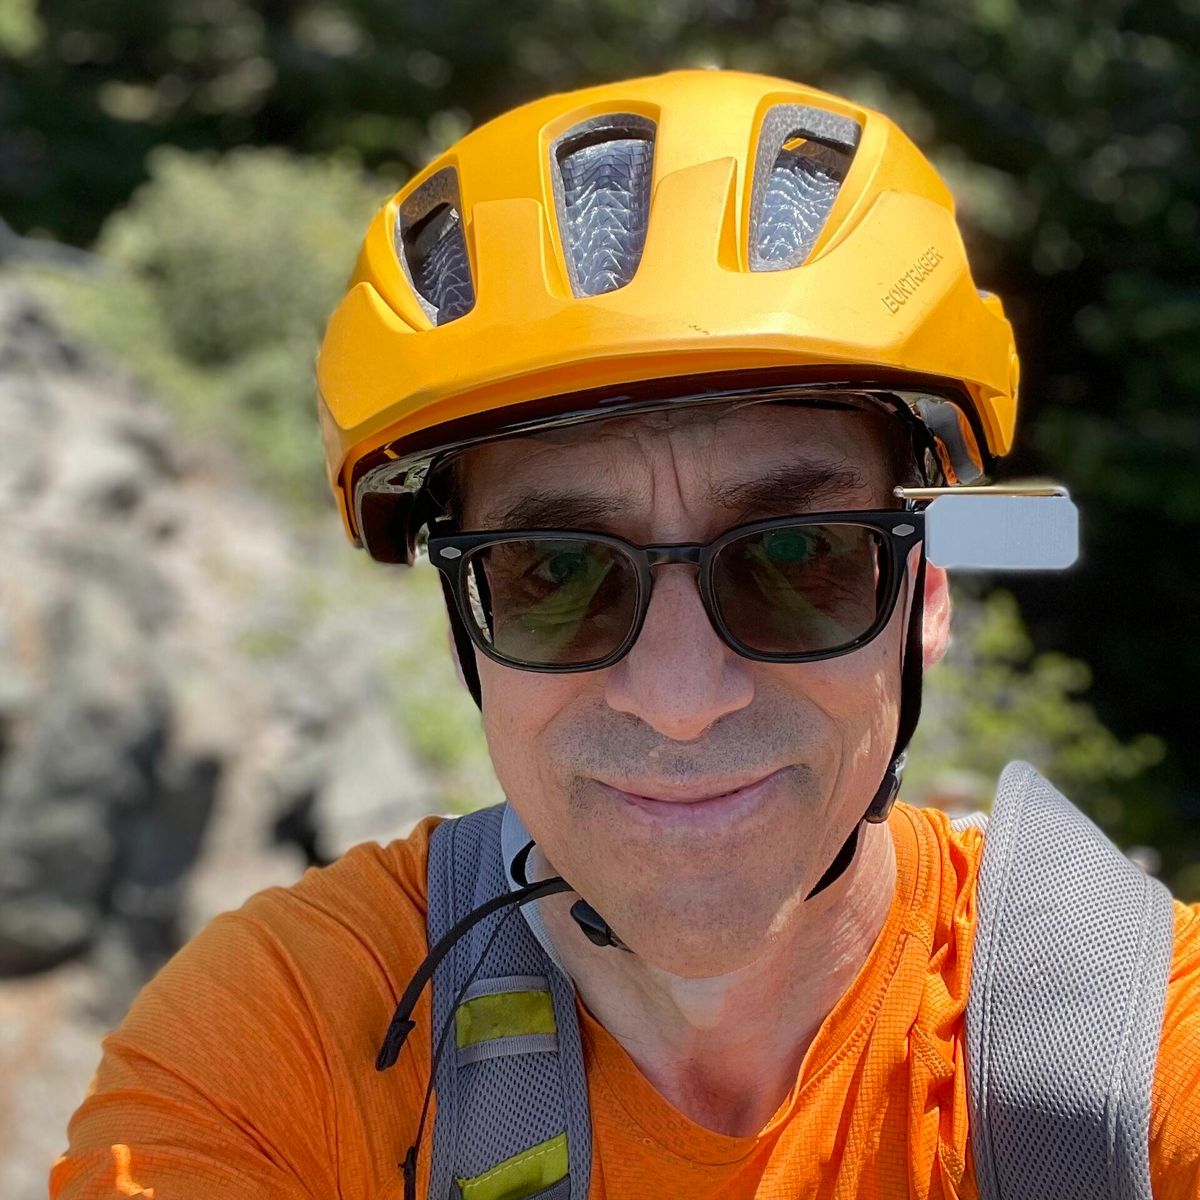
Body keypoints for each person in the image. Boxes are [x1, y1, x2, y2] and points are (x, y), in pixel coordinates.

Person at [51, 69, 1199, 1200]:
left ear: (928, 590)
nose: (681, 697)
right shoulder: (284, 1041)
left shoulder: (1124, 1042)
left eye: (796, 555)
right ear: (465, 628)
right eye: (554, 573)